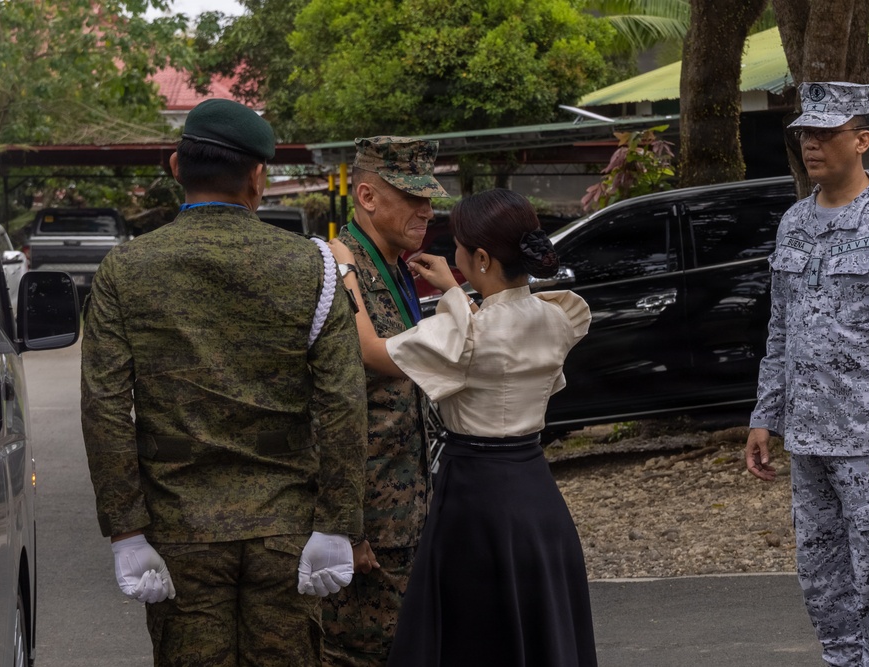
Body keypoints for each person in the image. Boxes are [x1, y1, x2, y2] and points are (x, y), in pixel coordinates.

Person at [81, 98, 368, 667]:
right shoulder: (313, 267)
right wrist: (338, 523)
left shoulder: (125, 269)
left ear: (176, 167)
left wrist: (126, 531)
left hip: (178, 528)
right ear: (258, 176)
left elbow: (105, 409)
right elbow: (343, 401)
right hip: (287, 528)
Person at [329, 188, 598, 667]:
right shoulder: (559, 316)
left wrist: (346, 269)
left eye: (457, 247)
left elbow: (371, 350)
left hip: (476, 496)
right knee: (534, 631)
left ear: (481, 257)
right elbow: (499, 332)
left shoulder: (464, 332)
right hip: (537, 494)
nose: (451, 254)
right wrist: (456, 289)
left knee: (472, 636)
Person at [745, 82, 869, 667]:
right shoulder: (794, 223)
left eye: (826, 133)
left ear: (862, 140)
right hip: (809, 438)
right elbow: (780, 330)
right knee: (822, 580)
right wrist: (765, 415)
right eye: (805, 134)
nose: (812, 144)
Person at [321, 136, 446, 667]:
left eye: (429, 197)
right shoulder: (335, 270)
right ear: (367, 197)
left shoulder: (395, 267)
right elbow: (326, 412)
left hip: (407, 513)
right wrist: (345, 529)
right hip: (367, 522)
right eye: (412, 197)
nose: (427, 211)